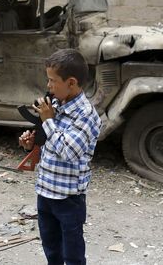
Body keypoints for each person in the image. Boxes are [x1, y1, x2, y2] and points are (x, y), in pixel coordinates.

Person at [19, 48, 102, 265]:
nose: (48, 86)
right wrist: (31, 144)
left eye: (52, 80)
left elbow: (69, 152)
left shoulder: (86, 115)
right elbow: (49, 143)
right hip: (45, 192)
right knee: (51, 251)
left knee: (72, 257)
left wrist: (48, 121)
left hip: (68, 199)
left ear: (71, 83)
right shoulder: (54, 105)